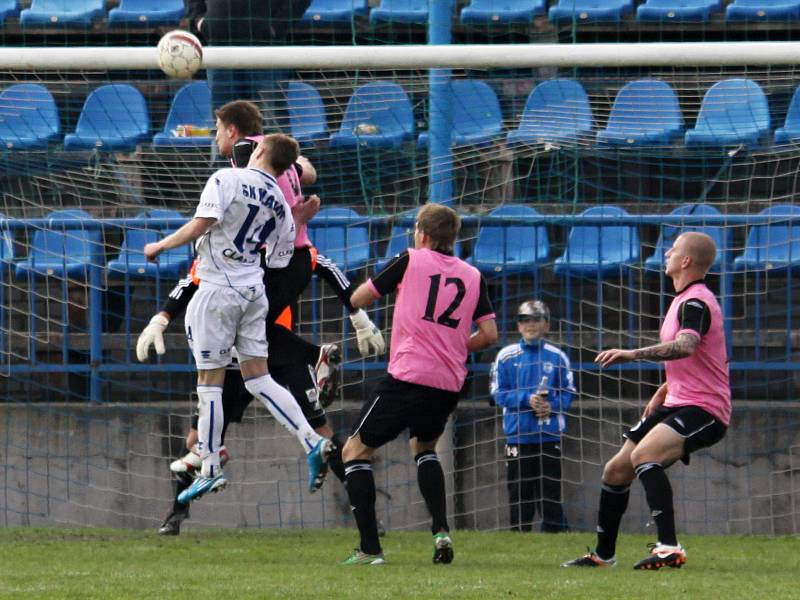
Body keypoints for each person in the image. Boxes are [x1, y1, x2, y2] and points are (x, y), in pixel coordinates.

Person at [142, 122, 385, 534]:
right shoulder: (277, 198)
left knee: (209, 386)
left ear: (252, 149)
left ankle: (213, 467)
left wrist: (160, 246)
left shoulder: (224, 179)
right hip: (254, 295)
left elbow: (200, 231)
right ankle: (307, 439)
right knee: (256, 385)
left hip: (220, 295)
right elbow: (283, 258)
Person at [340, 203, 498, 566]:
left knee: (354, 452)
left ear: (422, 234)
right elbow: (489, 333)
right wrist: (456, 344)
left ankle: (369, 549)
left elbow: (359, 298)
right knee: (423, 448)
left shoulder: (410, 259)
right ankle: (441, 531)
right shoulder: (473, 276)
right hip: (447, 383)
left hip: (408, 376)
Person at [561, 231, 730, 570]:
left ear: (686, 261)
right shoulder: (683, 299)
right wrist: (664, 388)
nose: (666, 252)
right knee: (616, 470)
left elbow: (686, 347)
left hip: (705, 408)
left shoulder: (696, 301)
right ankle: (603, 555)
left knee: (644, 455)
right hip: (679, 399)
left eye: (674, 249)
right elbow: (696, 361)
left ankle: (669, 547)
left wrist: (630, 354)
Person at [490, 299, 574, 533]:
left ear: (547, 325)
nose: (530, 325)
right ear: (518, 326)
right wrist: (526, 399)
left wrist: (552, 407)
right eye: (525, 320)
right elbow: (498, 393)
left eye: (536, 319)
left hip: (548, 435)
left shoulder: (558, 357)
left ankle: (556, 536)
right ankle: (519, 537)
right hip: (518, 436)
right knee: (519, 493)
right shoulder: (505, 356)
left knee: (550, 492)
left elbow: (569, 393)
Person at [183, 0, 311, 119]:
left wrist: (277, 25)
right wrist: (199, 19)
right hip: (220, 45)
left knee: (271, 120)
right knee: (224, 121)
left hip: (266, 47)